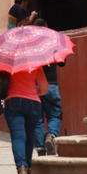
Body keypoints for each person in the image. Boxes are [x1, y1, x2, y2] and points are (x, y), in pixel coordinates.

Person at [4, 63, 49, 174]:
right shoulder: (36, 65)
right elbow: (44, 88)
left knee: (18, 137)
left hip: (13, 102)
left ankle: (21, 169)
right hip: (33, 103)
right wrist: (33, 94)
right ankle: (28, 168)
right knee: (29, 137)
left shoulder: (8, 65)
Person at [31, 19, 64, 156]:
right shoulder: (53, 43)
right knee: (54, 115)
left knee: (37, 119)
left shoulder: (29, 46)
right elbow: (62, 63)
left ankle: (40, 148)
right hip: (51, 86)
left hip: (35, 87)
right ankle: (51, 135)